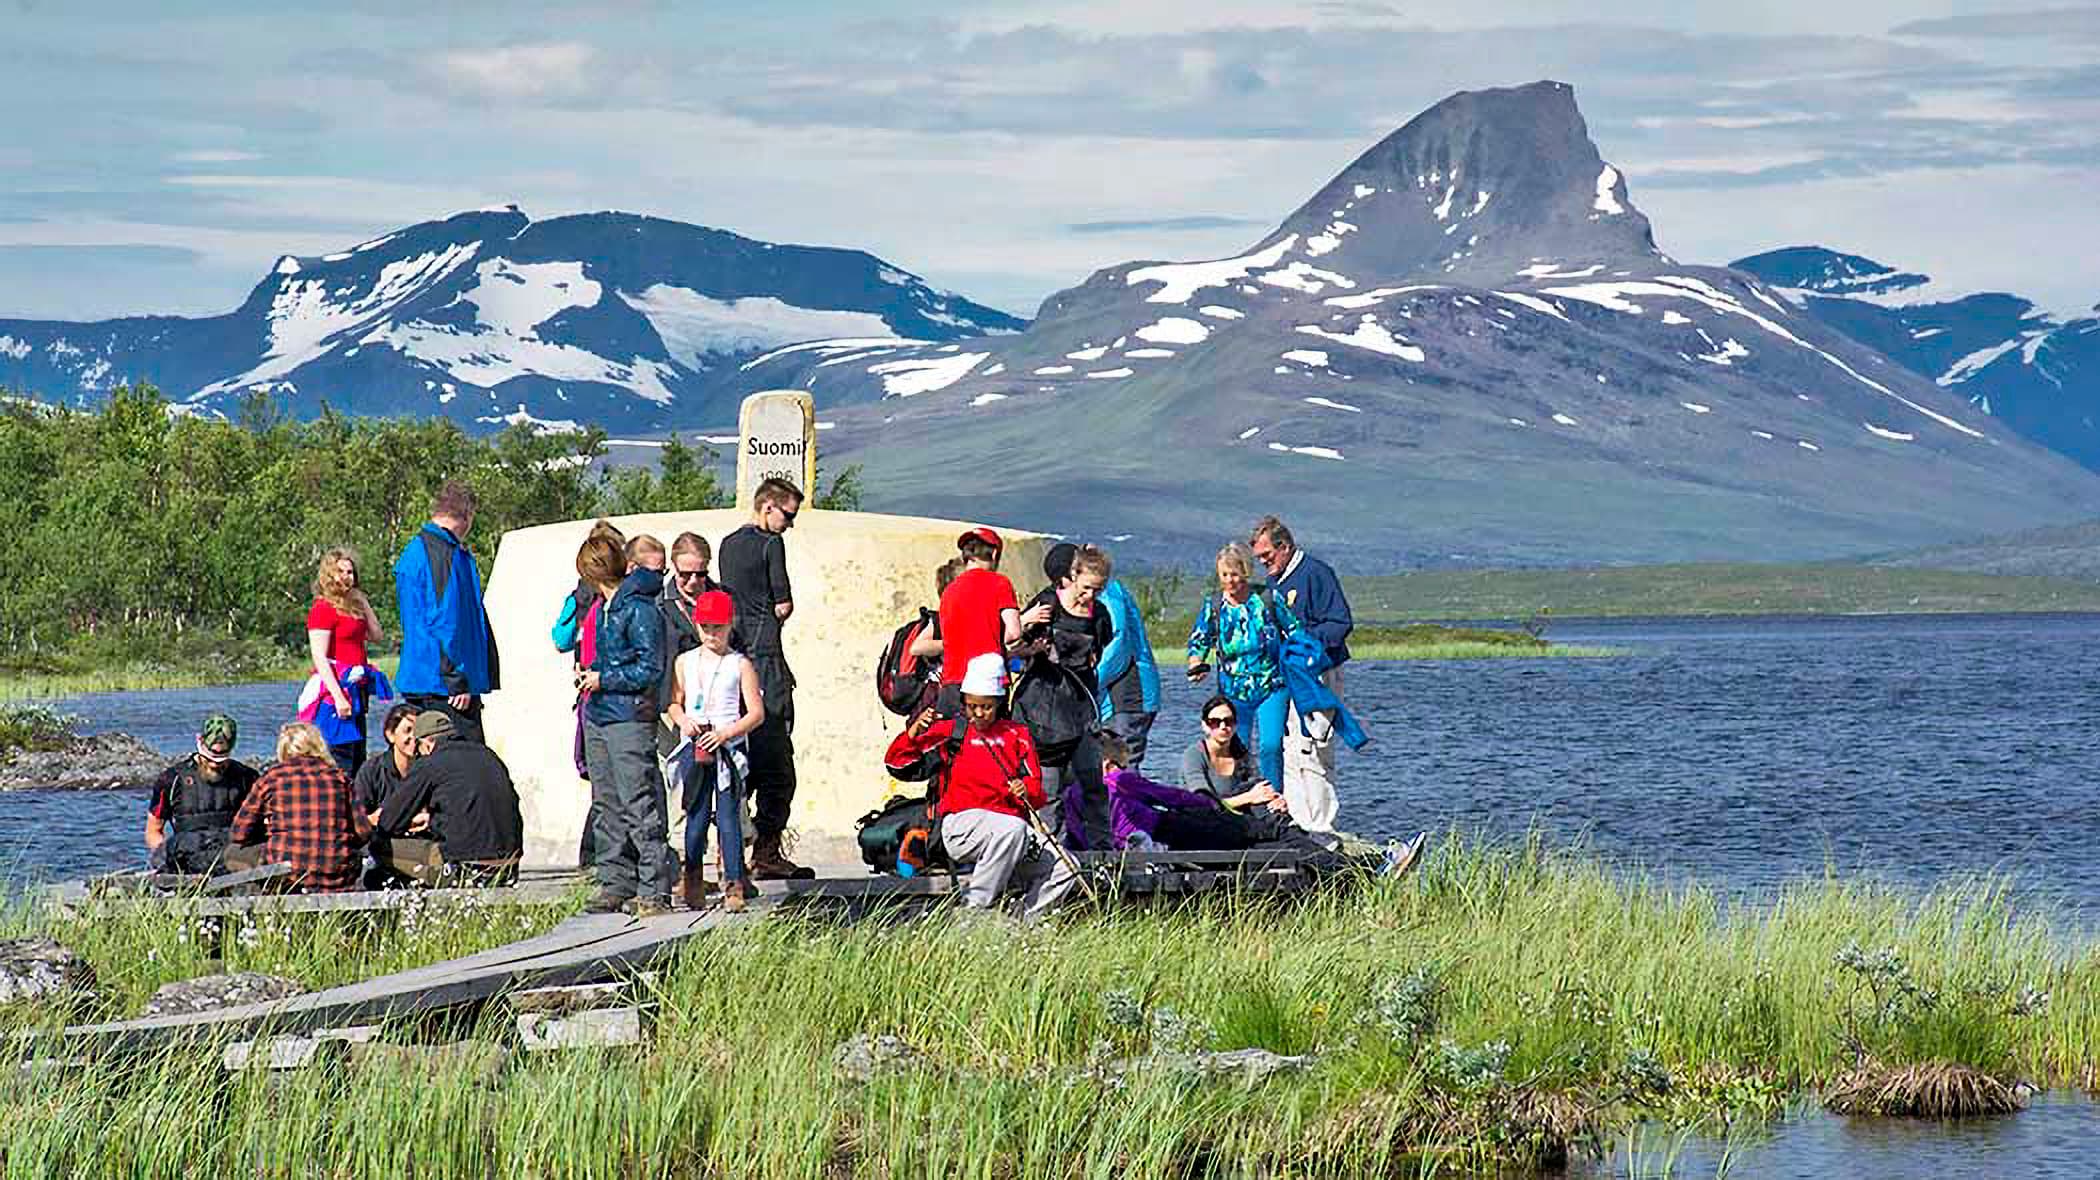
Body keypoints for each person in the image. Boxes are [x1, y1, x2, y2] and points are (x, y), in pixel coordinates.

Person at [883, 653, 1077, 924]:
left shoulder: (1017, 735)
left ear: (999, 703)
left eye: (986, 707)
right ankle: (973, 913)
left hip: (1011, 834)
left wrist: (1026, 790)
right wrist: (913, 733)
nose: (978, 713)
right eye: (972, 706)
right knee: (1012, 829)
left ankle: (1024, 925)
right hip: (960, 829)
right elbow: (898, 764)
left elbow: (1037, 791)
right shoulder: (953, 732)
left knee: (1066, 868)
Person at [717, 477, 810, 881]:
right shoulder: (771, 544)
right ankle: (767, 851)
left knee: (737, 761)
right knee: (777, 765)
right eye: (787, 515)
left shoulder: (726, 544)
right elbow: (783, 604)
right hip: (766, 659)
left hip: (734, 655)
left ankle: (731, 849)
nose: (789, 524)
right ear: (768, 507)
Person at [577, 535, 674, 913]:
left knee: (638, 801)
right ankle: (615, 881)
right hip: (600, 713)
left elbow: (650, 668)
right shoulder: (606, 607)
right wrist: (592, 674)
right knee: (606, 803)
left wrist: (605, 678)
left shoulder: (638, 608)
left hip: (628, 716)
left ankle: (653, 888)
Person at [1251, 515, 1355, 835]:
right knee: (1290, 750)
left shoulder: (1316, 574)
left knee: (1314, 751)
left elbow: (1340, 623)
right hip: (1288, 680)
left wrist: (1304, 647)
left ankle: (1322, 827)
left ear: (1284, 547)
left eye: (1267, 556)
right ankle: (1300, 824)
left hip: (1318, 677)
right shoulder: (1273, 583)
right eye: (1258, 559)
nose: (1264, 563)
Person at [1012, 543, 1115, 848]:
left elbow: (1100, 647)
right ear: (1073, 575)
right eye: (1085, 588)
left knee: (1094, 784)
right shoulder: (1048, 605)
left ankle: (1104, 857)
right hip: (1044, 711)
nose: (1090, 597)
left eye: (1098, 590)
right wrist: (1031, 640)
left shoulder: (1100, 615)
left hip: (1081, 708)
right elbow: (1011, 646)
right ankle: (1055, 861)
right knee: (1049, 791)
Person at [667, 589, 764, 912]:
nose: (712, 634)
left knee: (728, 817)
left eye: (718, 628)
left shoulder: (740, 664)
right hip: (695, 747)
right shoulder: (685, 662)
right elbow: (674, 703)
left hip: (728, 749)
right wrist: (684, 721)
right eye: (706, 627)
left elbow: (755, 713)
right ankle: (692, 876)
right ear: (697, 626)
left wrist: (726, 734)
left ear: (729, 625)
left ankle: (734, 882)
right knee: (694, 816)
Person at [1187, 542, 1302, 791]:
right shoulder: (1214, 605)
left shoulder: (1267, 599)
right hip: (1232, 691)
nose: (1229, 581)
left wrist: (1305, 662)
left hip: (1272, 686)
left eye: (1235, 574)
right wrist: (1196, 662)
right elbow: (1199, 640)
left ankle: (1274, 800)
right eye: (1224, 575)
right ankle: (1242, 801)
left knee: (1270, 746)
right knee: (1238, 749)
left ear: (1246, 572)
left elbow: (1295, 631)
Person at [394, 481, 498, 743]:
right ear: (467, 514)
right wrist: (457, 679)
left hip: (423, 676)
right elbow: (445, 621)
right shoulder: (443, 554)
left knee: (430, 762)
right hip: (442, 685)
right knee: (466, 765)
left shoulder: (417, 550)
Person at [372, 710, 525, 887]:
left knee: (379, 847)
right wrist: (434, 820)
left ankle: (417, 896)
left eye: (418, 750)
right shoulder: (488, 755)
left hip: (465, 869)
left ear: (428, 743)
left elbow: (389, 822)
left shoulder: (430, 763)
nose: (417, 755)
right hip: (509, 866)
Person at [227, 722, 372, 893]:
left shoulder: (271, 778)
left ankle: (261, 902)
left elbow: (238, 833)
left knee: (233, 853)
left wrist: (267, 832)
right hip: (336, 874)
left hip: (286, 875)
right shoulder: (340, 778)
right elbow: (364, 831)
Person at [934, 528, 1049, 717]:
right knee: (991, 744)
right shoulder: (999, 583)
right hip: (988, 684)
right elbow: (1013, 634)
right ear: (995, 553)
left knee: (955, 743)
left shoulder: (949, 591)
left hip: (952, 682)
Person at [143, 714, 260, 875]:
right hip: (188, 860)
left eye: (221, 759)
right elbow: (153, 830)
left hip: (232, 859)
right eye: (210, 757)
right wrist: (166, 859)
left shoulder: (247, 778)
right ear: (200, 741)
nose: (214, 764)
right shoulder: (171, 779)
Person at [305, 546, 386, 774]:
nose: (347, 577)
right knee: (340, 756)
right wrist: (339, 697)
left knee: (359, 752)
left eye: (350, 572)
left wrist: (364, 603)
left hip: (357, 687)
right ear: (329, 575)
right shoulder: (322, 609)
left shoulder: (354, 606)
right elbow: (320, 657)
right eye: (341, 572)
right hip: (335, 691)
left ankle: (358, 802)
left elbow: (377, 636)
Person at [654, 532, 716, 762]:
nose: (692, 582)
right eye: (684, 574)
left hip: (716, 709)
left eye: (700, 574)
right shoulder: (657, 603)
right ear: (673, 567)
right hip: (672, 710)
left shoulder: (723, 598)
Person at [1094, 569, 1160, 770]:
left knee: (1123, 768)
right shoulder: (1102, 593)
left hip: (1131, 693)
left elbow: (1118, 644)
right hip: (1115, 698)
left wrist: (1089, 681)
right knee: (1107, 767)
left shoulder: (1109, 594)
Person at [352, 703, 420, 815]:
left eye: (419, 731)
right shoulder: (372, 771)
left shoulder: (430, 767)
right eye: (407, 730)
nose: (414, 737)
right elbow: (358, 816)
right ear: (390, 735)